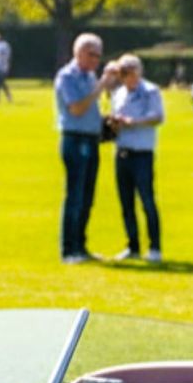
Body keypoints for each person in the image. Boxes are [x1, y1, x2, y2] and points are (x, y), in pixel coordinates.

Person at [55, 32, 117, 264]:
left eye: (98, 56)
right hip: (75, 139)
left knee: (88, 196)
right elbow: (77, 109)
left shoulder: (90, 76)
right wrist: (101, 85)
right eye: (92, 55)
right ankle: (69, 249)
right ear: (79, 52)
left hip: (91, 139)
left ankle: (81, 246)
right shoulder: (67, 77)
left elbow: (90, 109)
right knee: (75, 195)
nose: (95, 60)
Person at [108, 54, 163, 264]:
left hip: (142, 152)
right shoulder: (119, 93)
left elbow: (157, 116)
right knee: (126, 202)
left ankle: (155, 247)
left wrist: (134, 121)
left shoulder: (150, 91)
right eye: (124, 74)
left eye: (131, 72)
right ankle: (133, 245)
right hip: (122, 151)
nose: (129, 78)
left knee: (147, 200)